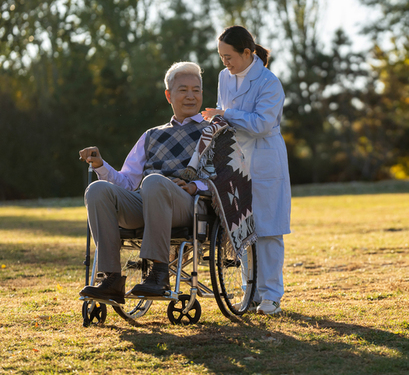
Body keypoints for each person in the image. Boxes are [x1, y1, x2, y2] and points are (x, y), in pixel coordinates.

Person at [78, 61, 209, 303]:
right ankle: (111, 279)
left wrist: (196, 186)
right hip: (147, 199)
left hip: (188, 204)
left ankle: (158, 273)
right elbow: (126, 182)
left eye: (196, 89)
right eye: (183, 90)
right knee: (97, 190)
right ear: (169, 95)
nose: (191, 96)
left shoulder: (214, 131)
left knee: (154, 182)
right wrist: (100, 166)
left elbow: (226, 177)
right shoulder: (152, 135)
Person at [202, 25, 291, 315]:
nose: (225, 62)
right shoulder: (223, 78)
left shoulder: (269, 82)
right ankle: (249, 292)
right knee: (242, 228)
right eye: (221, 56)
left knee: (267, 230)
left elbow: (262, 124)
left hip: (265, 158)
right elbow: (221, 112)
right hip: (235, 159)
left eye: (229, 56)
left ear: (247, 53)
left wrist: (226, 115)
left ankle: (271, 296)